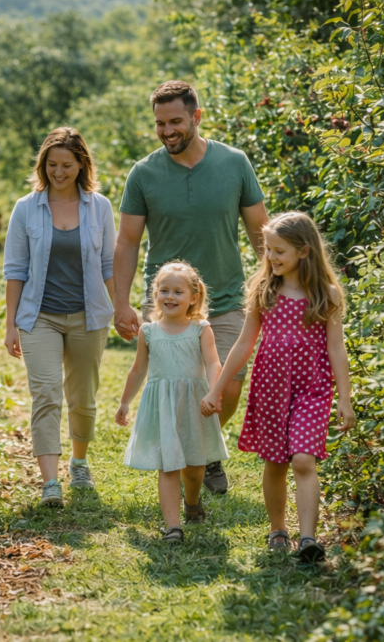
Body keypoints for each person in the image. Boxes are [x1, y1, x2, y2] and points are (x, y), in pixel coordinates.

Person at [113, 80, 270, 496]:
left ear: (196, 117)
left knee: (230, 383)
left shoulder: (234, 163)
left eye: (176, 121)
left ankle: (204, 452)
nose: (168, 131)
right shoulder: (143, 173)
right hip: (168, 306)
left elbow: (260, 230)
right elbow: (127, 241)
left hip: (227, 297)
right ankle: (191, 458)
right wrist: (122, 303)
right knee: (177, 386)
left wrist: (272, 283)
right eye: (160, 123)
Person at [207, 211, 355, 562]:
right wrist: (217, 388)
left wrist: (344, 399)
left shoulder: (326, 294)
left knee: (303, 459)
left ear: (304, 252)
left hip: (313, 389)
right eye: (268, 250)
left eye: (279, 251)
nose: (271, 257)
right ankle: (278, 529)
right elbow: (244, 344)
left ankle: (308, 538)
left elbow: (336, 348)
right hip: (271, 387)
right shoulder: (264, 290)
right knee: (275, 463)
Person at [3, 127, 117, 508]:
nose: (59, 172)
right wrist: (9, 325)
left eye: (66, 165)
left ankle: (79, 462)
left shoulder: (99, 206)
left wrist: (123, 308)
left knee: (83, 399)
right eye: (52, 165)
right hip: (39, 317)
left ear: (81, 164)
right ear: (43, 165)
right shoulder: (26, 207)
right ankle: (50, 483)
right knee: (46, 394)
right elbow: (15, 268)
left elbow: (108, 264)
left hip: (89, 316)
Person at [115, 261, 228, 543]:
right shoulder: (149, 332)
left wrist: (214, 391)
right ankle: (173, 526)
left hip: (194, 403)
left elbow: (213, 362)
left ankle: (192, 503)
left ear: (193, 297)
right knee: (168, 465)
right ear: (155, 295)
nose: (170, 296)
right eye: (163, 290)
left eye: (178, 292)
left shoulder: (201, 328)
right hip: (162, 406)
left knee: (194, 466)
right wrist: (125, 402)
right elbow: (138, 369)